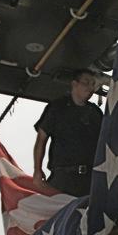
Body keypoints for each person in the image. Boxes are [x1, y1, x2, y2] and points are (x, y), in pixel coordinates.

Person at [33, 69, 102, 197]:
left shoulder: (95, 113)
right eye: (86, 82)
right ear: (74, 84)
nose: (90, 88)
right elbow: (41, 139)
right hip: (62, 177)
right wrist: (37, 170)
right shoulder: (57, 107)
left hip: (90, 179)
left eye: (93, 84)